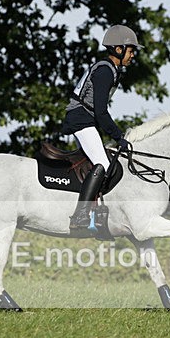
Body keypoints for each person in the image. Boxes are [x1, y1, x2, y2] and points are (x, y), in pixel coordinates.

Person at [62, 24, 142, 232]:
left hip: (83, 119)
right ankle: (80, 216)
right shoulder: (105, 71)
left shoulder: (109, 69)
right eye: (131, 50)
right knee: (102, 164)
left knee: (102, 163)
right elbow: (101, 112)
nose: (132, 55)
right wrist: (118, 137)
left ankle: (98, 218)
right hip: (81, 119)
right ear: (118, 49)